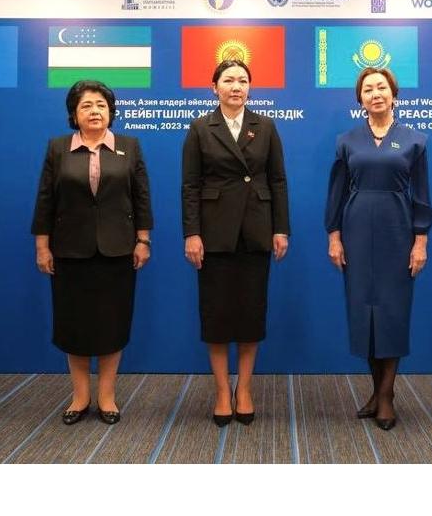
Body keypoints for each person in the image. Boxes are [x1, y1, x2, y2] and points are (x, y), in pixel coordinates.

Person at [32, 80, 153, 426]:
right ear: (74, 114)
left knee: (112, 325)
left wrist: (143, 240)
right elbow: (45, 199)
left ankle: (107, 396)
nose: (95, 111)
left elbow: (141, 197)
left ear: (111, 112)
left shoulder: (129, 146)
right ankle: (80, 395)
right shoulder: (58, 148)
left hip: (117, 250)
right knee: (74, 325)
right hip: (70, 251)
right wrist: (42, 246)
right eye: (86, 105)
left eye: (101, 105)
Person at [181, 60, 290, 427]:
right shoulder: (200, 128)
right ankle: (221, 391)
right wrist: (192, 233)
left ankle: (244, 389)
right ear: (214, 87)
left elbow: (277, 181)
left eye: (243, 80)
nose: (236, 86)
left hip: (256, 229)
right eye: (228, 80)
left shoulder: (266, 126)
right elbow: (190, 186)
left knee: (250, 313)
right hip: (214, 232)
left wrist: (281, 228)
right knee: (216, 315)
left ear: (250, 88)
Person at [325, 67, 432, 431]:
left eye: (382, 88)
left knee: (392, 313)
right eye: (368, 89)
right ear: (360, 99)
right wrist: (334, 236)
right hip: (356, 232)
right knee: (365, 314)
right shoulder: (346, 140)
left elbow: (422, 195)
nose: (376, 94)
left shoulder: (415, 140)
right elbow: (336, 193)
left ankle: (386, 396)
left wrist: (420, 241)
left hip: (397, 232)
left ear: (393, 95)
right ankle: (377, 391)